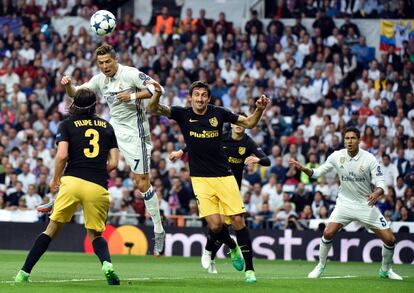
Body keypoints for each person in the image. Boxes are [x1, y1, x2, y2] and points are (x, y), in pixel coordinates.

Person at [147, 80, 270, 283]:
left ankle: (250, 270)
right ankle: (232, 247)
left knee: (238, 220)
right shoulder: (182, 114)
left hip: (224, 176)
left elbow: (249, 123)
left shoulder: (219, 113)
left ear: (208, 98)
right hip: (200, 179)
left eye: (204, 95)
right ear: (191, 97)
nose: (200, 99)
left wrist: (259, 110)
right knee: (215, 226)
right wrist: (157, 94)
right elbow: (153, 108)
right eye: (197, 95)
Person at [56, 44, 165, 255]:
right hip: (113, 127)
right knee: (88, 158)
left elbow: (158, 88)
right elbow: (77, 94)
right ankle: (65, 191)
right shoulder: (99, 80)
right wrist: (68, 86)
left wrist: (132, 97)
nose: (105, 66)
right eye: (101, 63)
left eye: (108, 62)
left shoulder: (131, 74)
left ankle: (159, 229)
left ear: (115, 60)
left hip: (135, 132)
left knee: (141, 183)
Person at [15, 88, 120, 285]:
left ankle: (23, 273)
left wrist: (55, 179)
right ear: (94, 104)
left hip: (72, 181)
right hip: (97, 185)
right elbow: (114, 163)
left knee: (51, 229)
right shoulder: (107, 126)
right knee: (95, 234)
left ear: (74, 104)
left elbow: (62, 155)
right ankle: (106, 264)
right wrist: (95, 169)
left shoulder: (66, 124)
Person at [288, 127, 403, 280]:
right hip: (344, 204)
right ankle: (320, 266)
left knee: (390, 240)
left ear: (359, 140)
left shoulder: (369, 159)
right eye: (347, 138)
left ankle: (386, 269)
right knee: (328, 233)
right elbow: (318, 173)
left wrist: (377, 192)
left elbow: (381, 182)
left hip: (365, 204)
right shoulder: (337, 156)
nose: (349, 141)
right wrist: (303, 168)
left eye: (352, 138)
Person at [169, 112, 270, 274]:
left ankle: (211, 253)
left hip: (231, 188)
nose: (238, 125)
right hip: (212, 182)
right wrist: (181, 152)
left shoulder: (248, 143)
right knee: (216, 225)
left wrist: (257, 160)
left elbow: (267, 160)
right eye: (236, 122)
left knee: (224, 226)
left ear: (245, 125)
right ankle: (222, 250)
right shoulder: (222, 137)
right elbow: (198, 143)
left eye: (242, 123)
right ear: (231, 124)